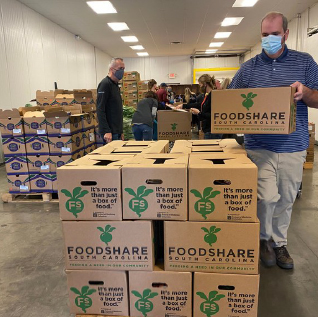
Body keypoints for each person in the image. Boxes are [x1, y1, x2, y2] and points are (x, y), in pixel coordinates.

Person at [229, 11, 318, 269]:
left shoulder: (305, 63)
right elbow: (231, 101)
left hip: (293, 145)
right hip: (260, 146)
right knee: (266, 197)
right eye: (265, 35)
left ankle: (279, 244)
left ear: (286, 35)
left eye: (275, 35)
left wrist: (306, 92)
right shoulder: (248, 69)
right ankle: (263, 239)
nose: (269, 39)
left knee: (286, 199)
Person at [97, 57, 125, 144]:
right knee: (113, 157)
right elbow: (100, 109)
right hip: (110, 133)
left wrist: (120, 131)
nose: (123, 71)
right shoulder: (105, 84)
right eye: (120, 68)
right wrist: (106, 131)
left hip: (116, 131)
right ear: (112, 69)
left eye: (123, 69)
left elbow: (116, 109)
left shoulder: (115, 85)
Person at [190, 74, 223, 139]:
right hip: (209, 129)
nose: (200, 87)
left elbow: (213, 115)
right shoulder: (208, 95)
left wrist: (199, 113)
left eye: (200, 85)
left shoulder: (213, 96)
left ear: (205, 84)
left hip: (212, 130)